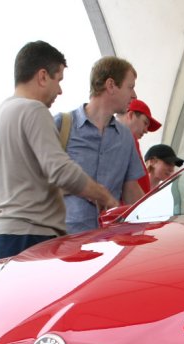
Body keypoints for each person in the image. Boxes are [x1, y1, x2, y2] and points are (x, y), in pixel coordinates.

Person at [0, 40, 117, 261]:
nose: (59, 90)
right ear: (42, 76)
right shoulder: (34, 110)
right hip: (33, 236)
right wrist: (104, 196)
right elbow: (60, 170)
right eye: (58, 79)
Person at [53, 56, 146, 233]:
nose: (134, 95)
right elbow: (36, 181)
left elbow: (131, 191)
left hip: (109, 242)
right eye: (130, 87)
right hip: (63, 241)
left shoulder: (126, 137)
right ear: (111, 85)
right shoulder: (62, 125)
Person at [113, 99, 161, 196]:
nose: (146, 130)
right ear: (130, 115)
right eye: (145, 123)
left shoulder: (122, 139)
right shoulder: (125, 138)